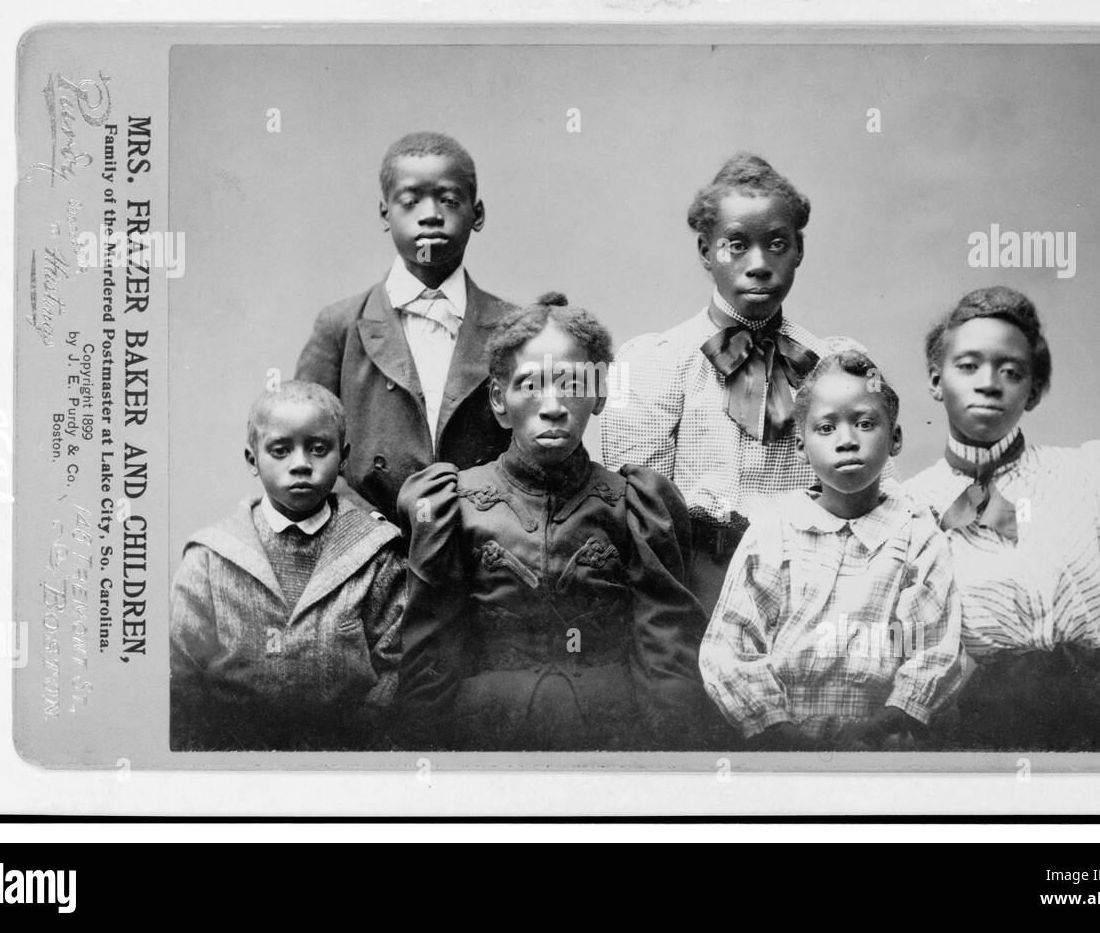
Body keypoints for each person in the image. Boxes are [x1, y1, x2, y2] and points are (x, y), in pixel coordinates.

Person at [396, 293, 712, 750]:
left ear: (600, 395)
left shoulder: (636, 505)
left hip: (610, 740)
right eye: (530, 385)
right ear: (498, 399)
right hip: (486, 740)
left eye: (572, 383)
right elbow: (431, 654)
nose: (553, 405)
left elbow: (666, 658)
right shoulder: (452, 502)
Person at [601, 151, 878, 616]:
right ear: (706, 252)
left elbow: (874, 489)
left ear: (799, 251)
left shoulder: (832, 366)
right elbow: (641, 509)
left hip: (815, 581)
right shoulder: (658, 363)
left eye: (776, 244)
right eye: (736, 245)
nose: (759, 263)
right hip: (694, 584)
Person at [905, 286, 1100, 751]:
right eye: (968, 366)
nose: (989, 382)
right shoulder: (912, 507)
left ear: (1032, 392)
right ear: (936, 381)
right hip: (998, 718)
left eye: (1011, 371)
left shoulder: (1090, 472)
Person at [700, 351, 962, 750]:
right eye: (826, 428)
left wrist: (877, 729)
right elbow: (730, 647)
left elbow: (935, 649)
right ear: (802, 446)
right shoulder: (774, 530)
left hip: (884, 742)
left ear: (895, 439)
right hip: (780, 741)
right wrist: (781, 733)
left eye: (865, 423)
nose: (847, 441)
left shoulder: (917, 535)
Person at [169, 381, 408, 750]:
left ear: (343, 457)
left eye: (318, 449)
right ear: (253, 459)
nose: (300, 464)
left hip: (347, 756)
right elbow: (181, 679)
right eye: (280, 450)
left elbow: (396, 666)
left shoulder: (376, 551)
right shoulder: (209, 558)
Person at [296, 131, 517, 524]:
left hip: (485, 552)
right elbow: (305, 447)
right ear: (386, 213)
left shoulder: (516, 330)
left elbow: (539, 447)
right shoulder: (340, 326)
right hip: (368, 552)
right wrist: (368, 529)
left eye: (448, 200)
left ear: (477, 213)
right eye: (411, 201)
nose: (430, 213)